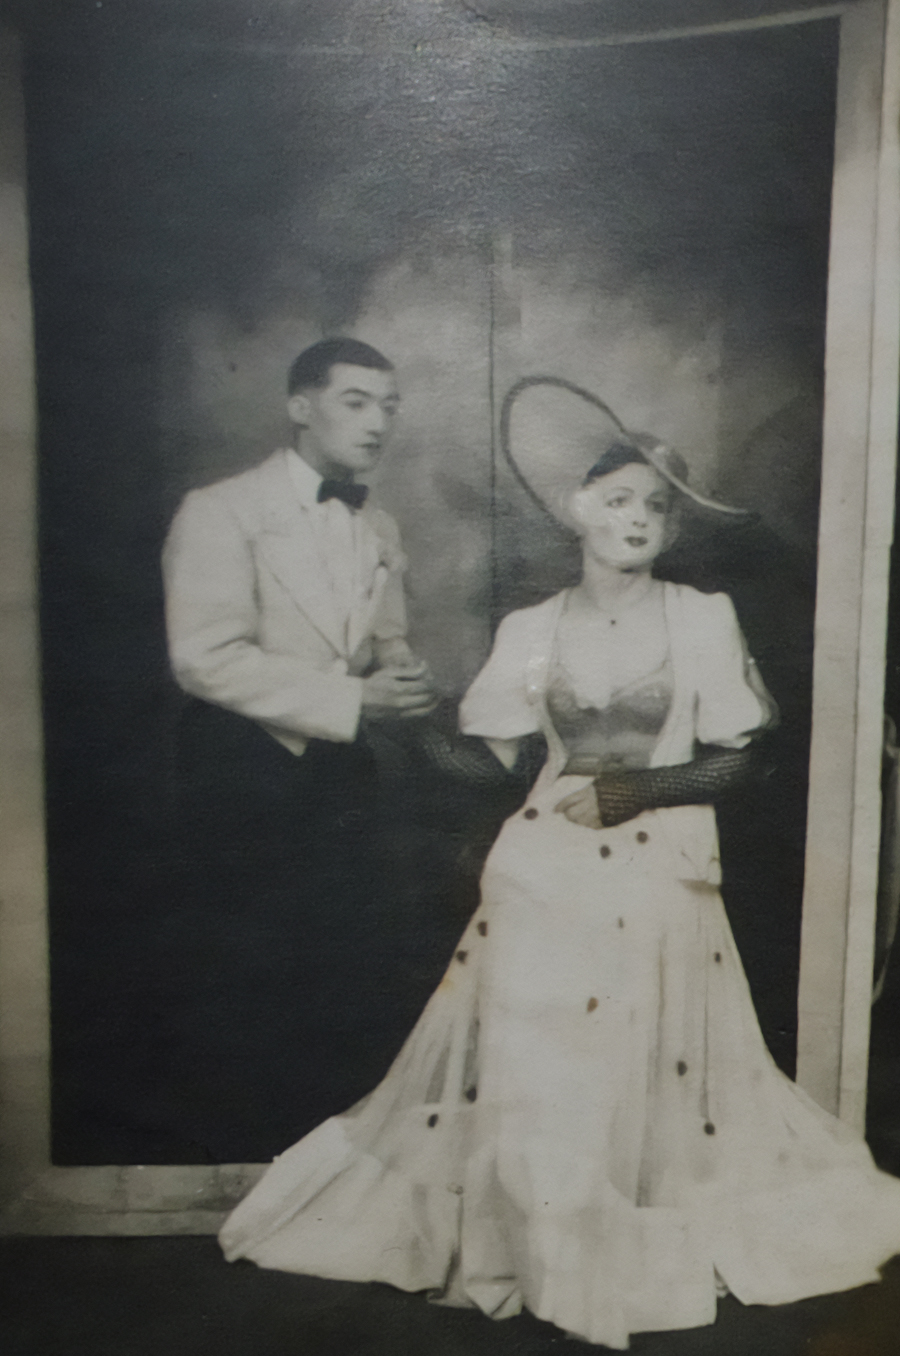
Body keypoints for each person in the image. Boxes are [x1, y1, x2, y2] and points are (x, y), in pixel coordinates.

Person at [218, 389, 900, 1348]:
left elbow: (746, 757)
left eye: (655, 509)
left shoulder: (702, 616)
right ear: (579, 509)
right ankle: (537, 1259)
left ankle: (610, 1262)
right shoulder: (530, 632)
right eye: (619, 500)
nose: (636, 522)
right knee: (539, 1069)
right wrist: (404, 722)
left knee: (631, 1065)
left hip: (658, 865)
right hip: (542, 869)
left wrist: (640, 791)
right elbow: (490, 766)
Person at [160, 337, 436, 1160]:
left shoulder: (377, 521)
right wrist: (355, 698)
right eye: (356, 401)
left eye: (389, 405)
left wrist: (400, 670)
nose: (379, 422)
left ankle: (318, 1162)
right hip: (237, 761)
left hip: (337, 766)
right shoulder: (218, 509)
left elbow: (382, 638)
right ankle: (240, 1158)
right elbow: (203, 657)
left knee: (338, 959)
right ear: (300, 406)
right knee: (243, 966)